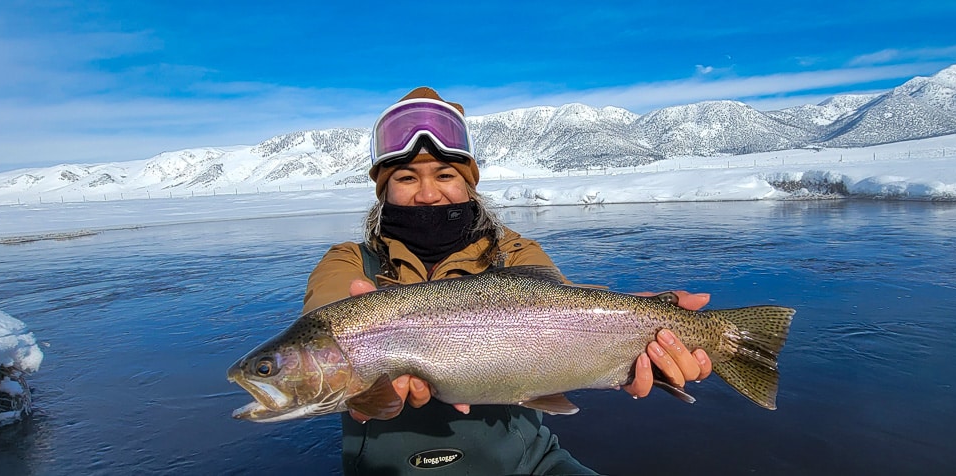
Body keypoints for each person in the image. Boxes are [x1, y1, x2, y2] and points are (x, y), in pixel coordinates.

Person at [303, 87, 713, 475]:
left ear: (469, 185)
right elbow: (325, 322)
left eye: (445, 175)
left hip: (527, 465)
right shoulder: (349, 262)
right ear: (384, 191)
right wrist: (357, 388)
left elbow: (568, 318)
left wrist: (640, 332)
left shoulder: (515, 253)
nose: (427, 194)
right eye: (407, 178)